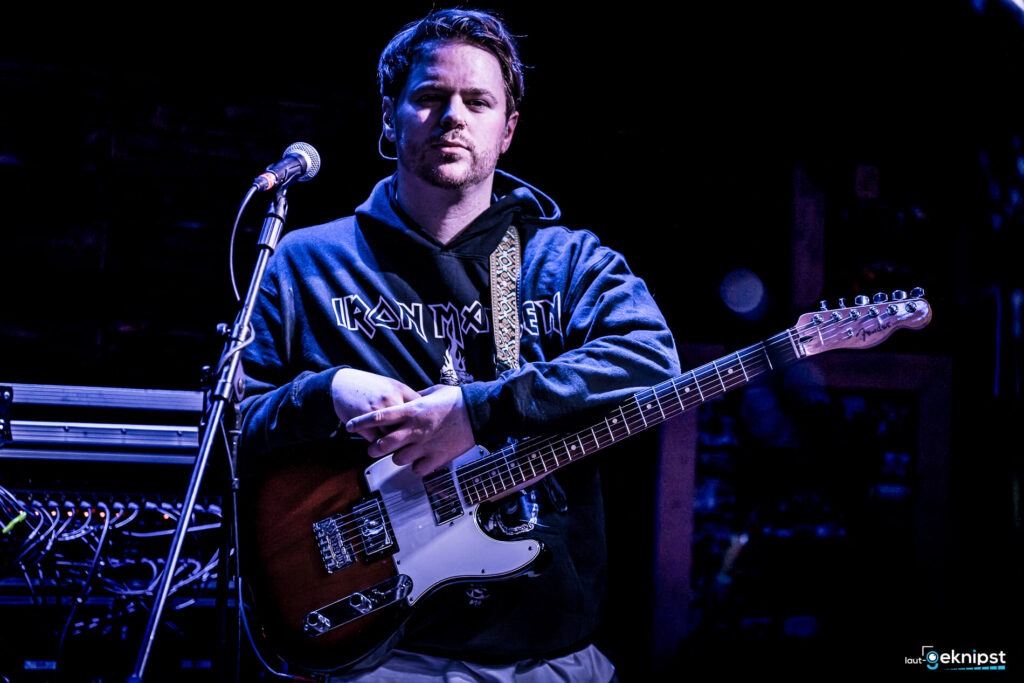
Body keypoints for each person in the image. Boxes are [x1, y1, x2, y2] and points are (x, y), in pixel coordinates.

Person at [235, 7, 680, 682]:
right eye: (429, 97)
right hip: (372, 657)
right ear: (389, 118)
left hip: (549, 659)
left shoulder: (565, 261)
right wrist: (324, 391)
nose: (453, 116)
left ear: (508, 129)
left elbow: (650, 359)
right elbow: (232, 424)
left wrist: (478, 411)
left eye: (478, 101)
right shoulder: (305, 262)